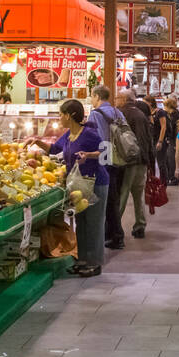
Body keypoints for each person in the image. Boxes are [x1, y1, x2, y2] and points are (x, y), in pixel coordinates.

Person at [46, 99, 107, 277]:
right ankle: (82, 260)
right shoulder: (68, 134)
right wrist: (35, 142)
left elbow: (105, 151)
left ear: (70, 115)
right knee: (81, 224)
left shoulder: (88, 133)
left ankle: (94, 263)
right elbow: (53, 148)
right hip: (78, 186)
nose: (59, 117)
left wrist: (88, 155)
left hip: (95, 183)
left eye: (61, 114)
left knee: (94, 224)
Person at [89, 86, 128, 250]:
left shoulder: (95, 114)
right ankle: (112, 234)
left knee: (107, 200)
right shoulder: (118, 112)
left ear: (97, 96)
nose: (91, 100)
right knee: (114, 198)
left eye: (92, 96)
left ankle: (116, 235)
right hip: (119, 159)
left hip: (104, 159)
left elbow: (94, 137)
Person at [115, 89, 154, 239]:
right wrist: (150, 160)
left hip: (128, 161)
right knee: (139, 195)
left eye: (118, 97)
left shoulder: (120, 113)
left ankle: (115, 227)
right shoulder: (141, 114)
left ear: (124, 99)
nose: (116, 100)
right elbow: (148, 139)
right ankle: (140, 225)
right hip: (142, 160)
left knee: (122, 194)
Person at [154, 96, 179, 185]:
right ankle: (169, 178)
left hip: (172, 139)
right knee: (168, 159)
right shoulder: (172, 114)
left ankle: (171, 179)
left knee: (169, 159)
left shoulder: (171, 114)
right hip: (171, 139)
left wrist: (161, 141)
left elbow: (165, 127)